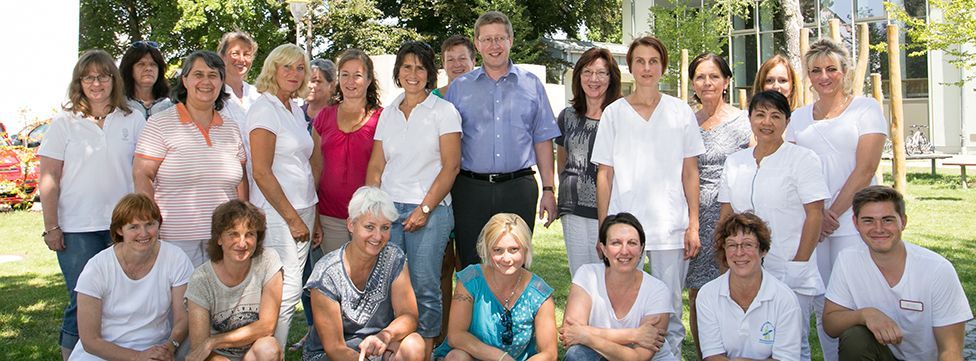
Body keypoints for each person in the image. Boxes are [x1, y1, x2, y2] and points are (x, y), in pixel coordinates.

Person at [591, 35, 704, 359]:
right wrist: (605, 229)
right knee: (626, 308)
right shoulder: (614, 114)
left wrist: (693, 224)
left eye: (653, 61)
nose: (646, 67)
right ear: (630, 67)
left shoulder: (680, 112)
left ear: (663, 67)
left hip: (669, 224)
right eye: (640, 61)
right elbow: (605, 174)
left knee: (668, 309)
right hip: (625, 227)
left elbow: (690, 172)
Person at [38, 49, 144, 361]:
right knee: (82, 299)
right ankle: (71, 356)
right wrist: (51, 227)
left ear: (115, 80)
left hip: (123, 227)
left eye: (103, 76)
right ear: (79, 83)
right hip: (76, 229)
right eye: (89, 77)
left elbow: (143, 172)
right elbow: (49, 178)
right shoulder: (64, 123)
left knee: (121, 298)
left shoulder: (133, 118)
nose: (96, 83)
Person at [786, 38, 888, 361]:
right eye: (816, 70)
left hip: (855, 222)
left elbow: (865, 168)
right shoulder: (798, 118)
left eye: (831, 68)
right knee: (821, 302)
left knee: (853, 299)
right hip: (811, 224)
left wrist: (832, 214)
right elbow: (790, 167)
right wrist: (817, 217)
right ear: (809, 76)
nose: (824, 76)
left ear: (844, 71)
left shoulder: (866, 109)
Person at [365, 41, 462, 355]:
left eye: (420, 67)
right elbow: (377, 165)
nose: (413, 73)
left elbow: (451, 166)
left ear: (430, 73)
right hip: (389, 212)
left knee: (425, 286)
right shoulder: (388, 112)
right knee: (390, 285)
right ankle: (395, 347)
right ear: (398, 71)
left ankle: (427, 348)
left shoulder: (444, 111)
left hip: (430, 213)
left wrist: (424, 208)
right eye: (407, 66)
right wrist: (373, 209)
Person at [718, 91, 831, 360]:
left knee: (792, 344)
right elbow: (726, 216)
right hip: (743, 266)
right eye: (760, 114)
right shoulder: (735, 162)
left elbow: (815, 214)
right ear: (750, 119)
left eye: (775, 115)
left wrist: (799, 262)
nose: (766, 122)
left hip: (789, 265)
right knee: (750, 339)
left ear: (787, 121)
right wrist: (725, 261)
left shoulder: (802, 159)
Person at [446, 11, 560, 268]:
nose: (494, 46)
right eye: (487, 39)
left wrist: (550, 190)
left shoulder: (531, 85)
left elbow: (543, 139)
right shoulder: (459, 88)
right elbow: (447, 145)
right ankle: (474, 310)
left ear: (511, 40)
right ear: (477, 44)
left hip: (518, 188)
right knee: (471, 267)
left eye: (500, 38)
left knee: (515, 265)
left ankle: (512, 310)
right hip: (469, 190)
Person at [823, 186, 972, 360]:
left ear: (903, 221)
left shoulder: (937, 269)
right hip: (882, 355)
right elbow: (830, 324)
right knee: (855, 337)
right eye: (868, 220)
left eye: (887, 220)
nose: (878, 229)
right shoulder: (848, 260)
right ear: (855, 223)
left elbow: (951, 351)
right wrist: (864, 314)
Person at [134, 50, 249, 267]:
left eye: (213, 75)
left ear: (222, 82)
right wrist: (150, 224)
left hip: (223, 236)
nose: (206, 81)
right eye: (198, 74)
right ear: (185, 80)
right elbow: (142, 175)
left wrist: (242, 223)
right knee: (180, 299)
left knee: (221, 298)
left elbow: (240, 179)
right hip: (175, 238)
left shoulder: (231, 128)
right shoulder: (159, 124)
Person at [246, 43, 323, 347]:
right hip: (278, 214)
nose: (294, 73)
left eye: (300, 67)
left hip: (303, 208)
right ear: (272, 69)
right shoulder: (264, 108)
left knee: (290, 287)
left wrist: (309, 218)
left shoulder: (292, 107)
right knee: (285, 290)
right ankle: (269, 351)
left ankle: (268, 349)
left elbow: (301, 164)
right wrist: (293, 219)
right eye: (287, 66)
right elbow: (262, 172)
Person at [303, 186, 426, 361]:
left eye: (385, 228)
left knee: (414, 344)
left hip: (378, 346)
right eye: (369, 227)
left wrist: (385, 336)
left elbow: (409, 316)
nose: (378, 236)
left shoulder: (393, 256)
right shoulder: (326, 274)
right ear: (351, 225)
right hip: (332, 355)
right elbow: (335, 348)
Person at [684, 53, 753, 359]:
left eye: (714, 76)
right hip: (694, 216)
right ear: (692, 84)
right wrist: (692, 221)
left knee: (736, 289)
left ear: (726, 81)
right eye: (700, 77)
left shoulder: (743, 121)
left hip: (733, 217)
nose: (707, 82)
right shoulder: (686, 121)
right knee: (700, 294)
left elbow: (756, 165)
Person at [69, 193, 194, 361]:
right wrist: (137, 357)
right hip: (103, 352)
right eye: (134, 227)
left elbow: (183, 317)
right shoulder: (97, 267)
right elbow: (90, 340)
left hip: (156, 349)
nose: (143, 233)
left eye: (150, 224)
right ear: (120, 230)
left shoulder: (175, 258)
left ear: (159, 225)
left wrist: (169, 348)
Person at [433, 213, 558, 361]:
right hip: (473, 357)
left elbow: (549, 353)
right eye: (497, 250)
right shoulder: (471, 280)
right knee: (457, 357)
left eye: (514, 249)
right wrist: (502, 358)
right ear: (487, 250)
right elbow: (456, 336)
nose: (506, 258)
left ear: (525, 249)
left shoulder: (539, 293)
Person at [560, 213, 675, 361]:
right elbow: (569, 333)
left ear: (641, 249)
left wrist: (586, 336)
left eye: (632, 243)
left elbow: (638, 358)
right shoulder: (587, 275)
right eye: (616, 243)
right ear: (604, 249)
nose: (625, 251)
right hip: (601, 356)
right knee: (577, 355)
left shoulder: (657, 291)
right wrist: (634, 335)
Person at [696, 212, 803, 361]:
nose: (739, 253)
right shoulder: (707, 294)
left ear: (763, 250)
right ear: (724, 251)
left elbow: (786, 358)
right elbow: (712, 355)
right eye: (732, 245)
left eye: (748, 244)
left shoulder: (784, 299)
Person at [185, 200, 283, 361]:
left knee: (269, 348)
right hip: (217, 356)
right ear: (219, 239)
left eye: (250, 234)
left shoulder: (268, 261)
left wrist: (214, 341)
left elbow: (267, 326)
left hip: (253, 351)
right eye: (233, 234)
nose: (242, 243)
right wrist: (211, 346)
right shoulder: (201, 279)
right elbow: (199, 347)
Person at [555, 47, 622, 275]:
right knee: (581, 275)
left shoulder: (620, 117)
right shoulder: (567, 116)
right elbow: (563, 161)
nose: (594, 79)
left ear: (611, 78)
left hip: (609, 209)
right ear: (578, 76)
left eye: (601, 73)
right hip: (573, 208)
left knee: (609, 274)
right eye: (587, 72)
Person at [313, 48, 384, 255]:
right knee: (335, 279)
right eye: (345, 75)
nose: (350, 81)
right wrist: (315, 213)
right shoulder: (324, 116)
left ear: (369, 80)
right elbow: (315, 168)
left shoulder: (383, 118)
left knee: (366, 279)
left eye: (357, 75)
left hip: (368, 216)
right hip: (329, 216)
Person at [294, 57, 337, 351]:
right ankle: (313, 329)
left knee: (326, 273)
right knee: (306, 277)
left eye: (319, 80)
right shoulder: (295, 114)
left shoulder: (337, 114)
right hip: (303, 203)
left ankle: (329, 334)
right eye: (310, 78)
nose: (312, 84)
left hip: (331, 205)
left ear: (332, 85)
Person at [119, 40, 173, 119]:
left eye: (153, 64)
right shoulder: (119, 105)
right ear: (129, 69)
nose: (148, 68)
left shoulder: (171, 106)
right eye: (141, 64)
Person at [303, 59, 337, 124]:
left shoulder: (340, 116)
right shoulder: (295, 113)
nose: (309, 85)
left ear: (331, 86)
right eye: (306, 81)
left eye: (316, 81)